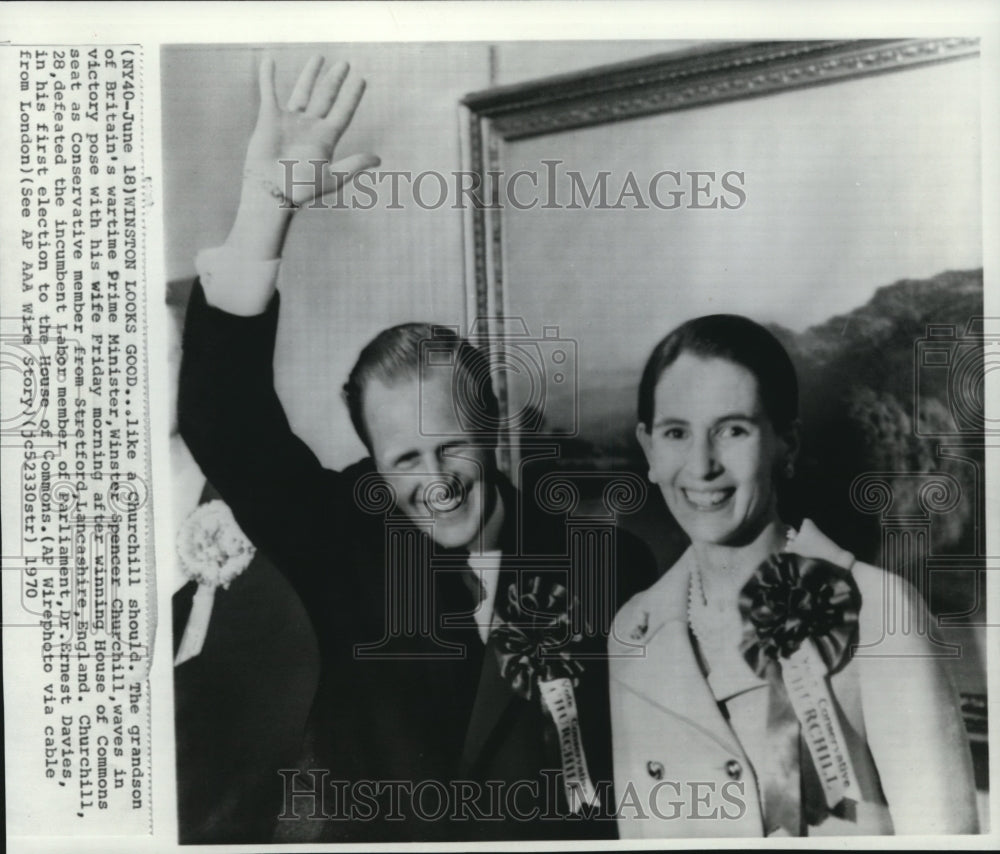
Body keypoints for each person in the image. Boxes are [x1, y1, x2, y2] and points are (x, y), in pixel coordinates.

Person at [177, 54, 654, 843]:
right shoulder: (345, 540)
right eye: (402, 460)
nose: (434, 482)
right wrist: (266, 210)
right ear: (370, 461)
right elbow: (226, 424)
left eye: (451, 447)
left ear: (493, 426)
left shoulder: (609, 565)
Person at [608, 314, 979, 838]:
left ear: (786, 443)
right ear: (649, 448)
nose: (701, 465)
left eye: (732, 429)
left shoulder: (880, 611)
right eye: (676, 432)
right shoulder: (632, 633)